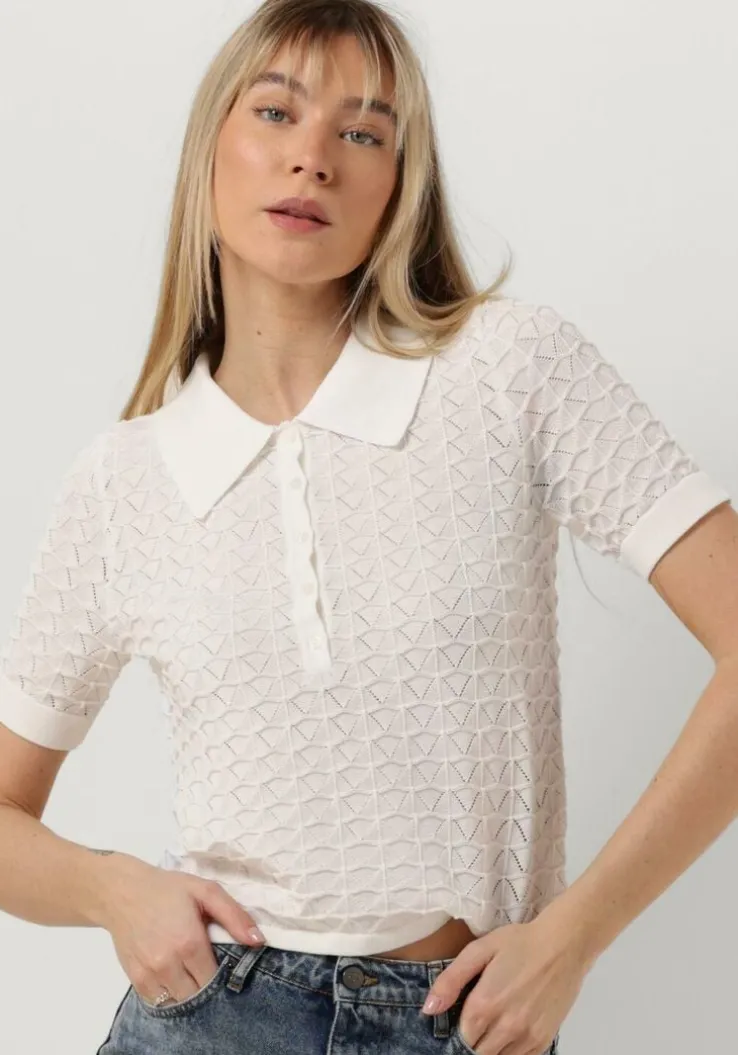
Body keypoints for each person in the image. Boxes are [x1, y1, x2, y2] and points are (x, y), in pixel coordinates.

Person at [0, 1, 731, 1053]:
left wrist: (576, 934)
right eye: (275, 112)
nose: (313, 158)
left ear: (400, 187)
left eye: (362, 132)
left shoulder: (509, 372)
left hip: (467, 1017)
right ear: (210, 150)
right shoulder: (124, 481)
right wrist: (112, 888)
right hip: (211, 1015)